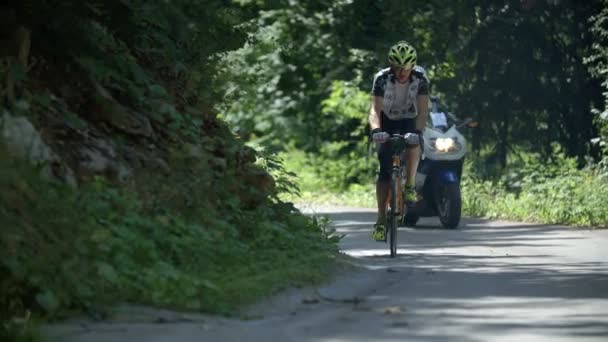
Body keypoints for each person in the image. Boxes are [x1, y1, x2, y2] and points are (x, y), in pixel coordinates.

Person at [368, 41, 429, 241]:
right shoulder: (382, 78)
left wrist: (418, 132)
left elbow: (423, 111)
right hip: (386, 120)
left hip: (409, 119)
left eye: (406, 68)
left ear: (412, 66)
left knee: (414, 142)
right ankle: (380, 219)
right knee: (385, 171)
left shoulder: (420, 78)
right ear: (391, 65)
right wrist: (376, 130)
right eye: (397, 67)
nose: (402, 72)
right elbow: (374, 110)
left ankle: (410, 184)